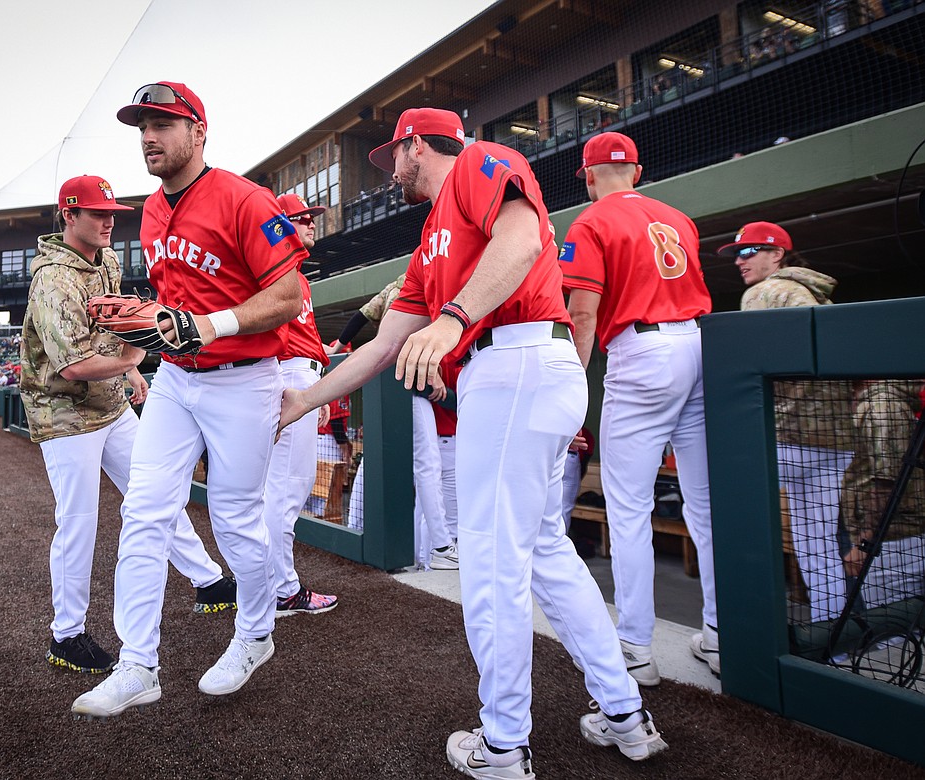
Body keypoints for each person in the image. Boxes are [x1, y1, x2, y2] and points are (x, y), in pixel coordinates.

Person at [280, 108, 666, 776]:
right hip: (520, 371)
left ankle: (505, 744)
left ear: (415, 145)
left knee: (491, 564)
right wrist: (306, 400)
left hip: (514, 361)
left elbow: (518, 240)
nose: (389, 172)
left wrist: (454, 318)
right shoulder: (432, 234)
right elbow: (385, 344)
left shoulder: (479, 161)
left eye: (390, 159)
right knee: (544, 549)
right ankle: (626, 713)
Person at [71, 82, 306, 718]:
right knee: (145, 512)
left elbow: (288, 297)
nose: (149, 136)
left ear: (198, 131)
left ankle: (256, 634)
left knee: (234, 520)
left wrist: (212, 325)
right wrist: (145, 316)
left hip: (244, 379)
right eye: (142, 125)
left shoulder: (245, 198)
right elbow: (178, 312)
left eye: (164, 124)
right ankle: (136, 664)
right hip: (176, 379)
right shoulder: (150, 209)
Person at [21, 175, 237, 676]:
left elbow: (112, 330)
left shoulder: (108, 260)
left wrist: (131, 369)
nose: (108, 221)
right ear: (68, 215)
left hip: (110, 404)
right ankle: (66, 635)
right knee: (78, 523)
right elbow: (72, 364)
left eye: (111, 212)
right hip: (63, 411)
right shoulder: (52, 279)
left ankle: (207, 581)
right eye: (96, 213)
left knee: (153, 493)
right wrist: (139, 355)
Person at [561, 132, 718, 683]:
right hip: (698, 344)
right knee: (704, 505)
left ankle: (633, 647)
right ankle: (721, 637)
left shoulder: (590, 222)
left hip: (642, 350)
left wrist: (570, 390)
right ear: (639, 171)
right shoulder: (678, 217)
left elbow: (582, 317)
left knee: (627, 511)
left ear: (587, 175)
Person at [718, 221, 855, 623]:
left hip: (786, 438)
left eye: (749, 252)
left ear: (777, 254)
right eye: (737, 254)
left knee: (739, 528)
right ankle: (836, 640)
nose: (740, 261)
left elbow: (755, 367)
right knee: (818, 544)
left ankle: (747, 632)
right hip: (834, 439)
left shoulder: (765, 292)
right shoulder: (818, 296)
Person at [330, 272, 459, 569]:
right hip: (409, 376)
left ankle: (354, 527)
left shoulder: (396, 283)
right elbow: (423, 331)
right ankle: (441, 546)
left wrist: (337, 346)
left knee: (372, 459)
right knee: (427, 463)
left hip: (384, 374)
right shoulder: (429, 279)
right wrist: (431, 369)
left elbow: (360, 317)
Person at [265, 192, 338, 616]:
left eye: (311, 217)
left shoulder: (297, 272)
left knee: (282, 489)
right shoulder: (280, 271)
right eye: (303, 218)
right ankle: (282, 589)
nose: (311, 223)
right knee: (286, 491)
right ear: (284, 225)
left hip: (301, 375)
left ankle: (270, 585)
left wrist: (317, 388)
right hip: (289, 374)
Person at [840, 380, 925, 610]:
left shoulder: (883, 405)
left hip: (894, 540)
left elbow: (887, 483)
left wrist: (866, 543)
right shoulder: (887, 401)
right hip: (896, 535)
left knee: (891, 633)